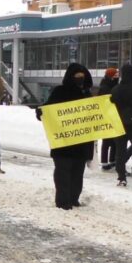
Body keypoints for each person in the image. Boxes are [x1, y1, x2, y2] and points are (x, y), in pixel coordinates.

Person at [36, 63, 94, 210]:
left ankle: (74, 198)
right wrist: (41, 112)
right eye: (77, 76)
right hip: (64, 142)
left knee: (77, 172)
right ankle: (63, 201)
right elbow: (48, 108)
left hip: (81, 142)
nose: (80, 79)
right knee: (63, 171)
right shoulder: (60, 92)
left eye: (82, 76)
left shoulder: (87, 94)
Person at [98, 67, 119, 171]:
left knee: (114, 140)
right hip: (107, 116)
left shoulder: (113, 85)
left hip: (114, 116)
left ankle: (112, 160)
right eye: (115, 75)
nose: (117, 77)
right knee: (106, 141)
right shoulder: (105, 87)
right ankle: (105, 162)